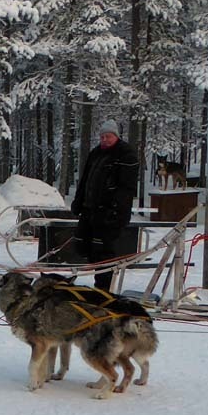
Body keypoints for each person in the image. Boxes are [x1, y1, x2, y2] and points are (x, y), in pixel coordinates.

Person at [71, 119, 140, 291]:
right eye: (102, 137)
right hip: (90, 211)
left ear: (116, 136)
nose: (104, 140)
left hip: (110, 214)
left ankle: (104, 289)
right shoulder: (96, 153)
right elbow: (85, 180)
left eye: (108, 136)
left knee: (103, 252)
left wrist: (115, 210)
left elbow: (127, 188)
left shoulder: (126, 155)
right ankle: (97, 282)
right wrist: (79, 202)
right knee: (83, 246)